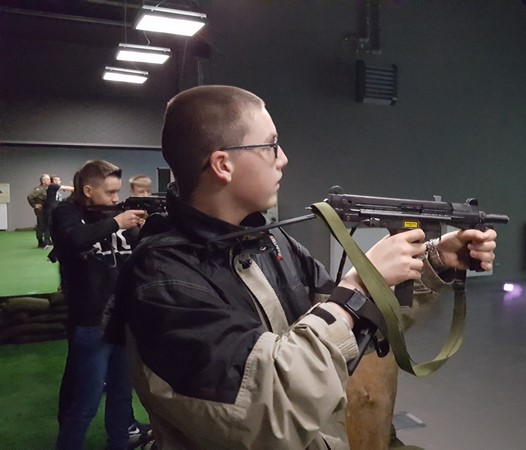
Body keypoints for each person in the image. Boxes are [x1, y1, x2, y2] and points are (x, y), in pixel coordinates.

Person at [110, 85, 497, 449]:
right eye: (271, 145)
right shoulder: (161, 278)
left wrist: (434, 262)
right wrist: (359, 287)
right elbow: (267, 410)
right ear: (223, 164)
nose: (283, 158)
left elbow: (350, 332)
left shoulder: (267, 241)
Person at [50, 160, 152, 450]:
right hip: (91, 323)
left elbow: (139, 255)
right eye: (110, 193)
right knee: (84, 403)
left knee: (121, 394)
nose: (116, 199)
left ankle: (120, 442)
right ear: (88, 190)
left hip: (122, 319)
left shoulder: (115, 215)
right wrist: (117, 222)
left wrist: (142, 229)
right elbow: (73, 239)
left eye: (117, 192)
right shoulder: (66, 214)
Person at [27, 173, 51, 247]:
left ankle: (47, 240)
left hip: (46, 209)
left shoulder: (47, 189)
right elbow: (30, 196)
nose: (49, 180)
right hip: (40, 210)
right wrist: (34, 205)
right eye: (48, 179)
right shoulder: (39, 189)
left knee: (47, 224)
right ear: (43, 181)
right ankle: (40, 241)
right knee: (41, 225)